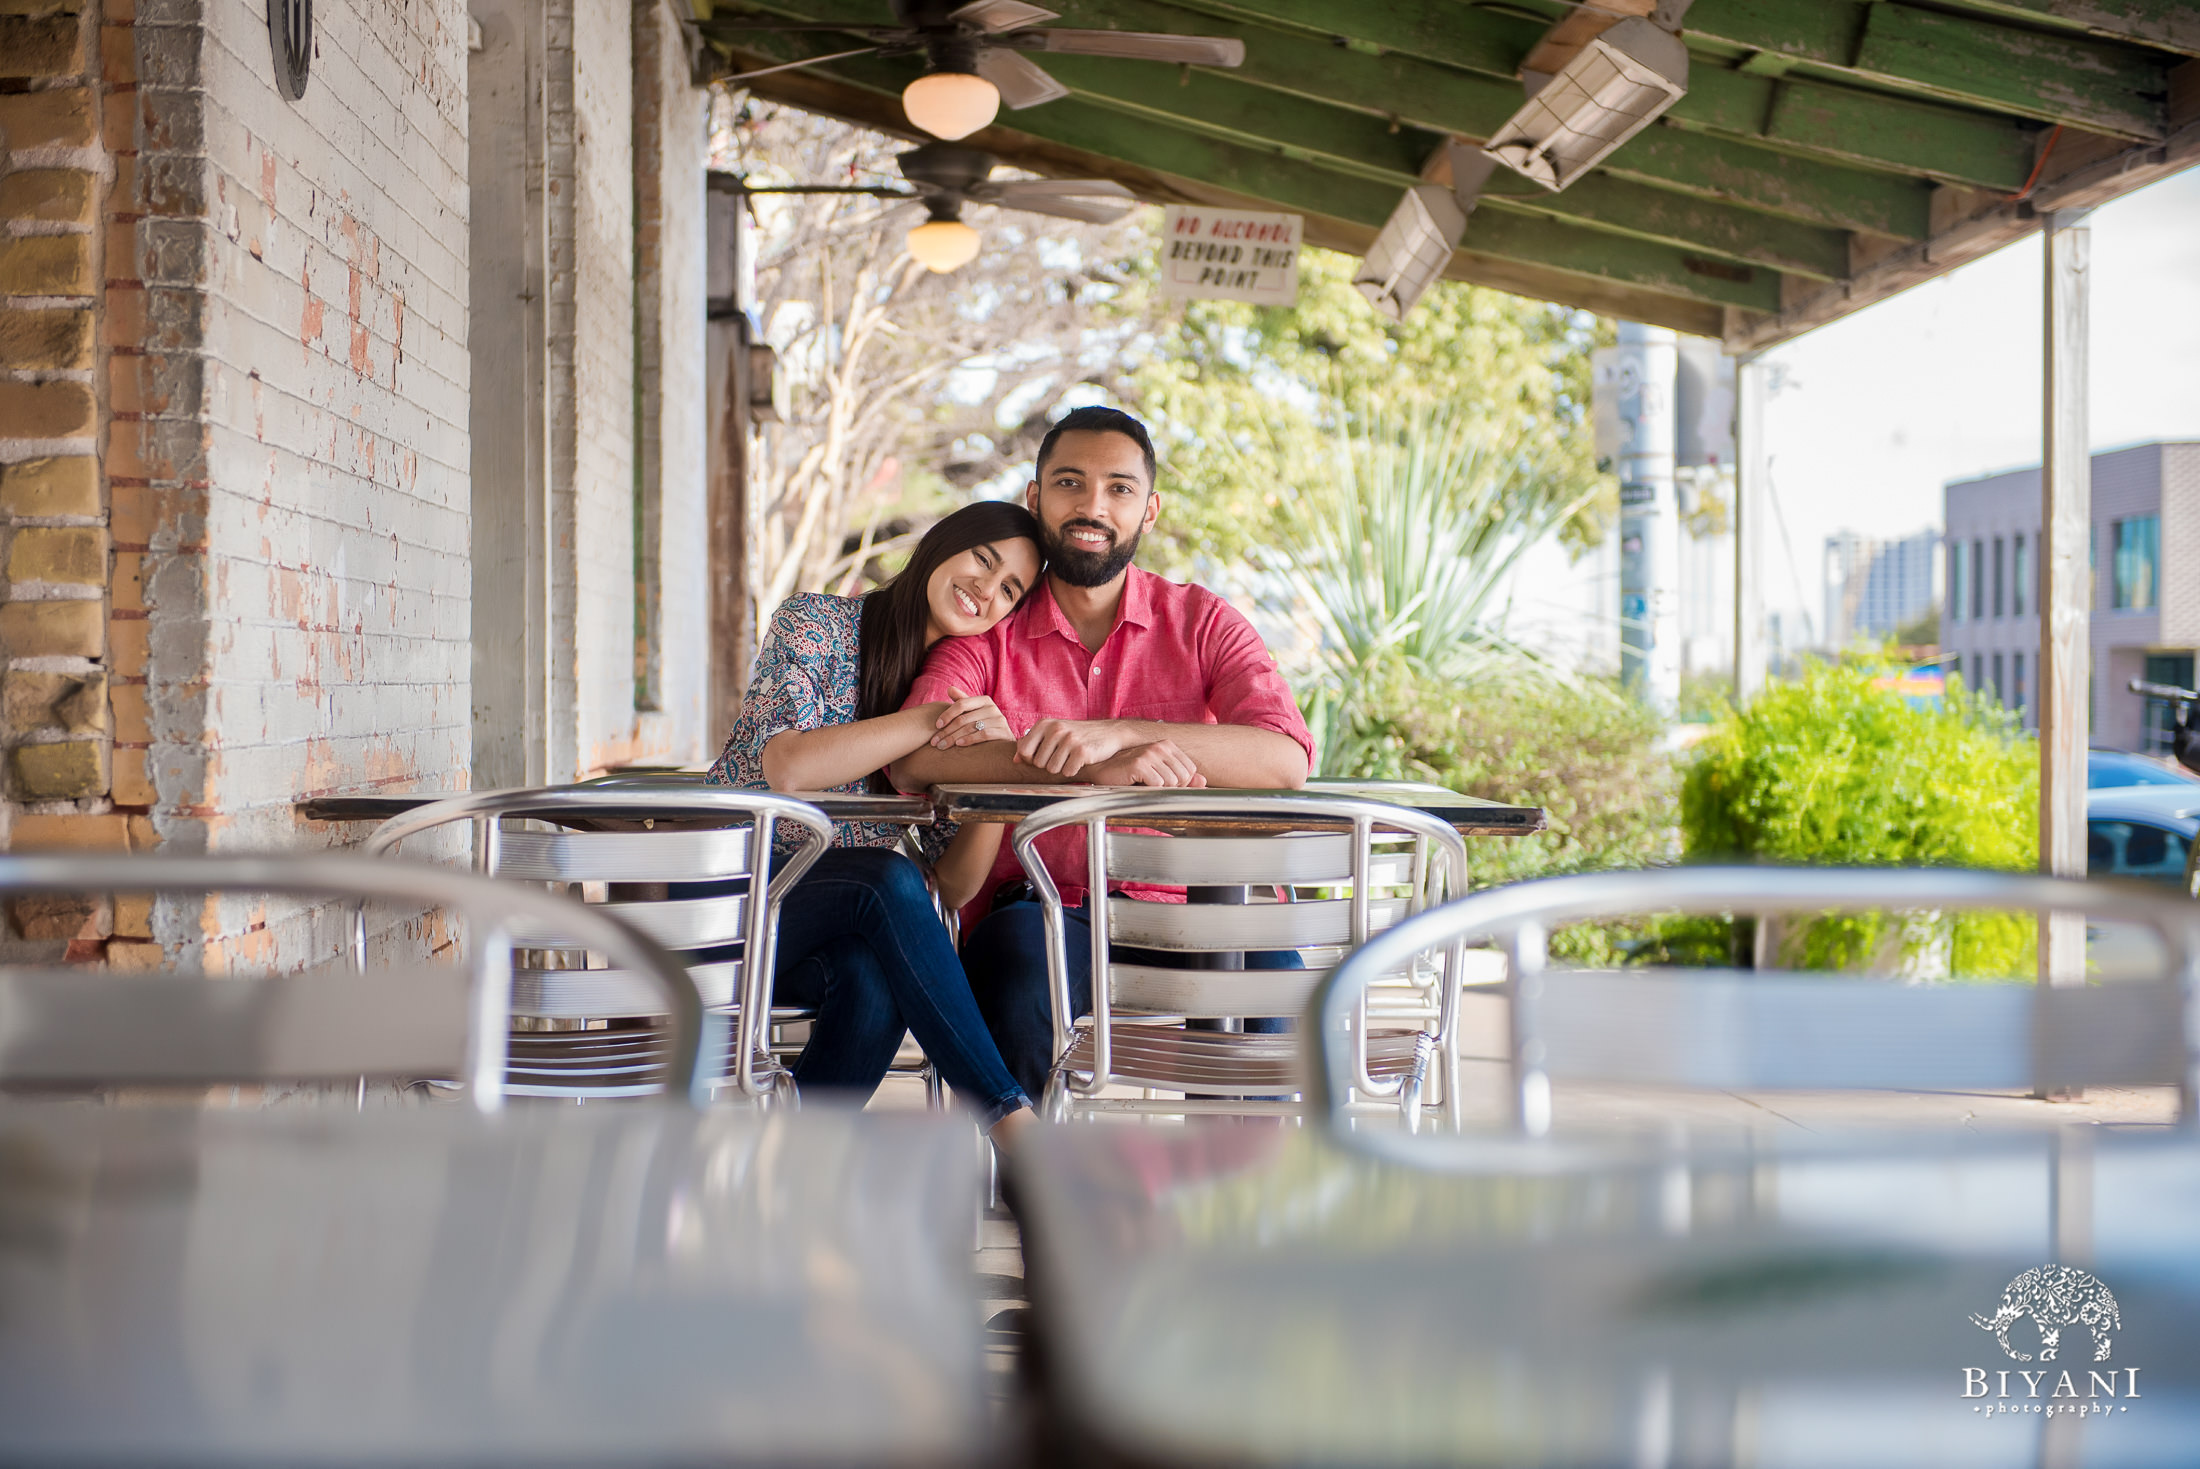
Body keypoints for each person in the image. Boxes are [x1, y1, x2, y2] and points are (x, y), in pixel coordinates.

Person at [889, 406, 1315, 1102]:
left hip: (1190, 909)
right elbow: (914, 755)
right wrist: (1087, 765)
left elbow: (1284, 757)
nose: (1092, 506)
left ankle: (1235, 1192)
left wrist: (1123, 733)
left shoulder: (1204, 622)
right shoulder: (987, 628)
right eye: (1069, 483)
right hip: (1038, 912)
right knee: (1015, 962)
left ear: (1149, 510)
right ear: (1035, 498)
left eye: (1118, 488)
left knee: (1268, 971)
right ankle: (1024, 1179)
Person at [708, 500, 1046, 1143]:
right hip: (725, 903)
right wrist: (924, 725)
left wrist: (996, 780)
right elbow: (789, 766)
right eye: (983, 558)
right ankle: (1011, 1122)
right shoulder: (817, 624)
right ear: (941, 545)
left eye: (1010, 589)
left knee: (875, 979)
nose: (987, 588)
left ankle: (777, 1165)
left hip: (798, 931)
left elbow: (952, 885)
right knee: (887, 880)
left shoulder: (946, 691)